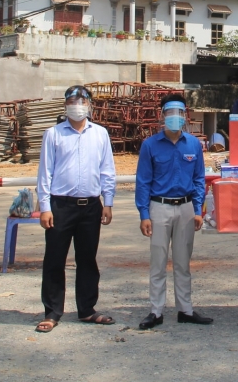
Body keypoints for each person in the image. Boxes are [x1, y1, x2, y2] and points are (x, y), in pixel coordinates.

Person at [35, 85, 117, 333]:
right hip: (61, 206)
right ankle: (52, 312)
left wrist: (108, 202)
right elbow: (45, 173)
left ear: (90, 104)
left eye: (82, 100)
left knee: (87, 260)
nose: (77, 104)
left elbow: (107, 170)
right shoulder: (54, 134)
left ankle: (87, 310)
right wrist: (45, 207)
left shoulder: (100, 134)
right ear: (65, 105)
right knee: (54, 260)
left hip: (91, 206)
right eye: (72, 100)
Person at [135, 94, 211, 330]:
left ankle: (185, 309)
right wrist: (144, 215)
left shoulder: (193, 145)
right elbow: (143, 181)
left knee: (182, 262)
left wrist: (198, 210)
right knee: (158, 262)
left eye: (179, 113)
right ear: (162, 116)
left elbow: (199, 179)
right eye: (170, 113)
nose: (175, 118)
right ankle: (156, 311)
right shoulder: (150, 145)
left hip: (186, 208)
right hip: (159, 207)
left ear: (185, 116)